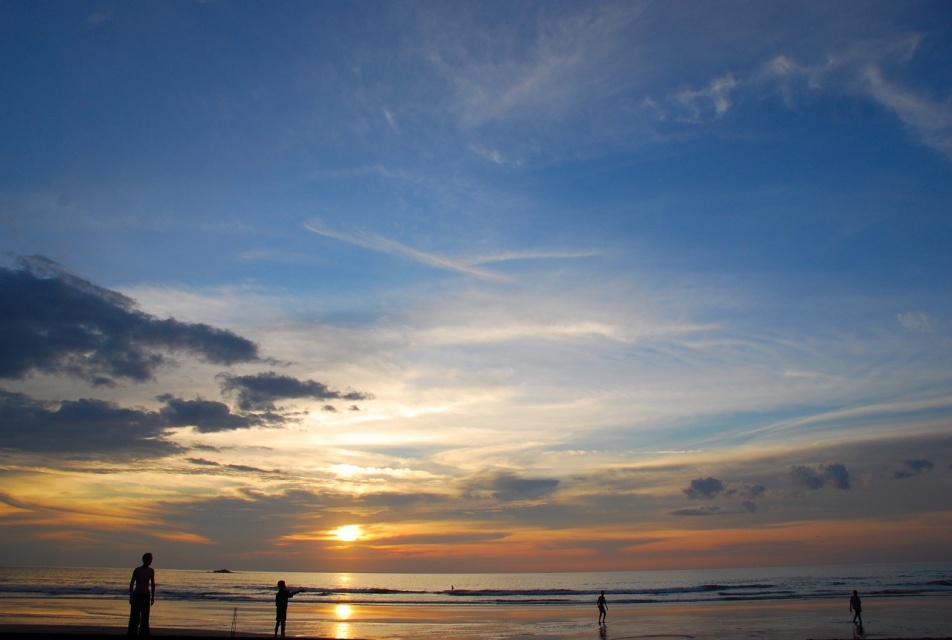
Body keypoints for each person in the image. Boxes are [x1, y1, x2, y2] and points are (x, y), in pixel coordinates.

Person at [128, 552, 155, 636]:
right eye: (149, 559)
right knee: (135, 617)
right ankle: (132, 633)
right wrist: (131, 597)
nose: (150, 561)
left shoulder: (151, 571)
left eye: (151, 559)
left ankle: (144, 633)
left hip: (146, 595)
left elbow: (153, 584)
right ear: (144, 559)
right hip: (137, 595)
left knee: (145, 617)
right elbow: (132, 583)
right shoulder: (138, 570)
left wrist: (152, 597)